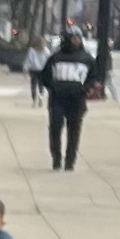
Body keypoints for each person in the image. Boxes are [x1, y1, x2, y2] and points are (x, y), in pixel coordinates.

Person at [42, 21, 97, 170]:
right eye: (72, 38)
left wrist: (86, 89)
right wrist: (53, 87)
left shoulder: (87, 59)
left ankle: (70, 161)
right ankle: (56, 159)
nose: (75, 41)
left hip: (77, 99)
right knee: (55, 130)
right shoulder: (55, 58)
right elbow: (45, 76)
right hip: (57, 99)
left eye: (77, 38)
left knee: (74, 131)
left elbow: (94, 76)